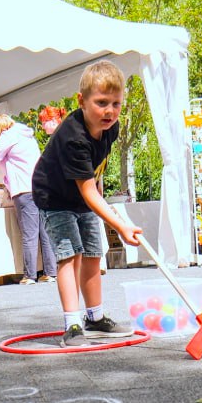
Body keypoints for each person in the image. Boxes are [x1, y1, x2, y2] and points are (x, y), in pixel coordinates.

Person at [31, 61, 142, 347]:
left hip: (82, 195)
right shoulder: (73, 138)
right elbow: (89, 192)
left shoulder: (111, 129)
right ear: (81, 101)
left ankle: (95, 318)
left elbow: (95, 172)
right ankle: (73, 325)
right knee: (71, 254)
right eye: (101, 102)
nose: (110, 111)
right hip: (54, 196)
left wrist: (101, 200)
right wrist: (121, 225)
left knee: (94, 252)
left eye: (116, 104)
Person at [0, 115, 57, 285]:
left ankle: (29, 275)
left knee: (29, 233)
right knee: (44, 231)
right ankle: (50, 272)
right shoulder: (26, 137)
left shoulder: (7, 136)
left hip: (23, 189)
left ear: (0, 128)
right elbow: (7, 159)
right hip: (41, 187)